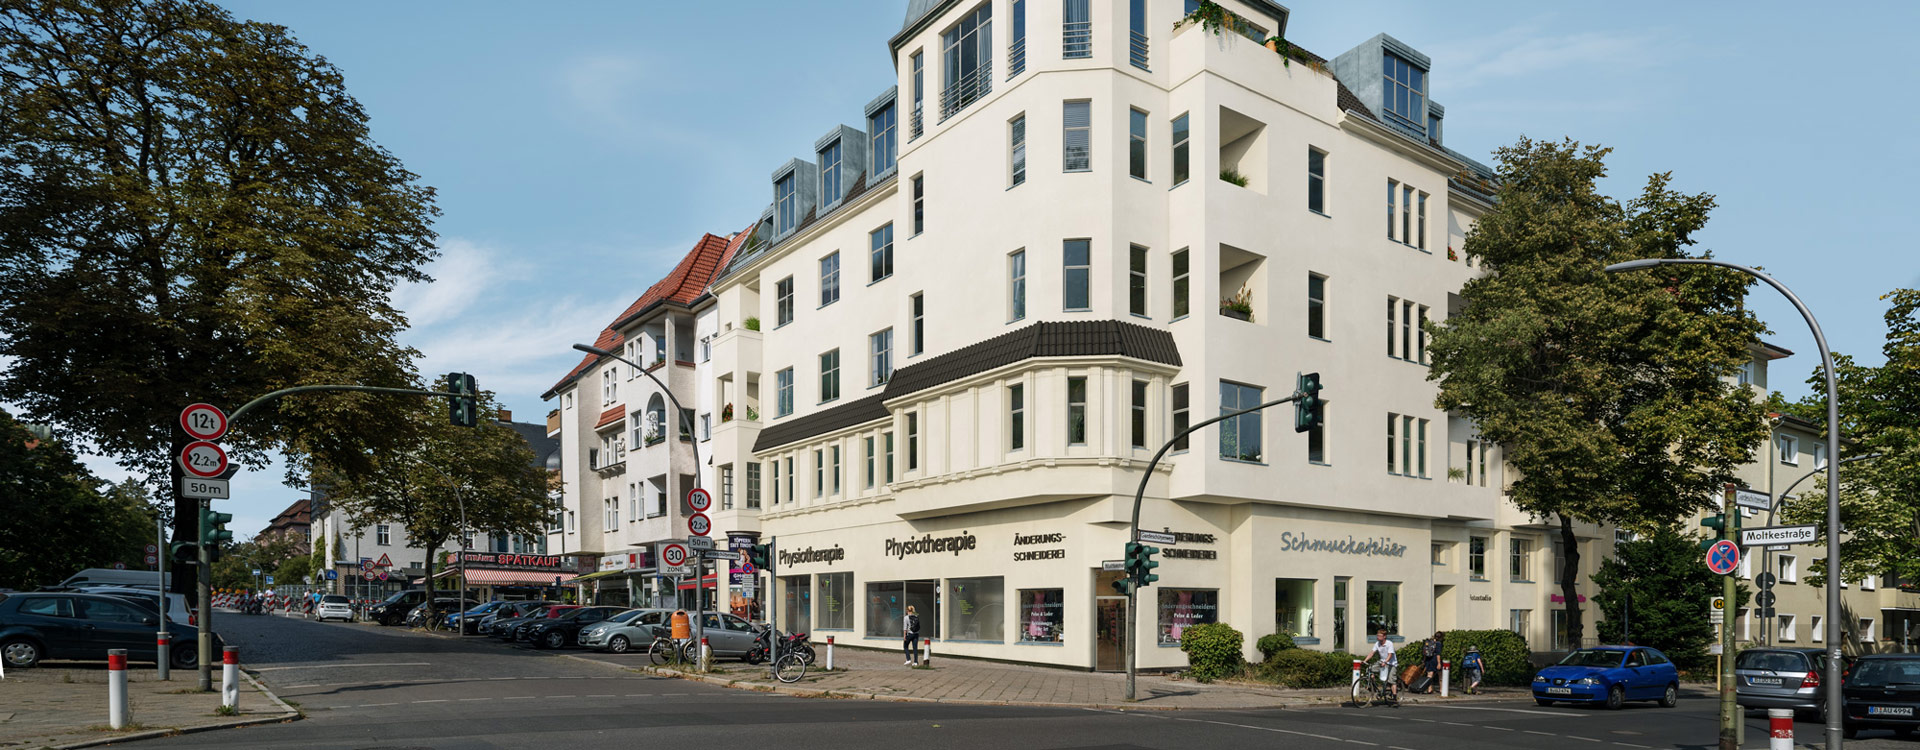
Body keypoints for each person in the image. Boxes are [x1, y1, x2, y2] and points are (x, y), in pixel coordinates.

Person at [1364, 628, 1398, 702]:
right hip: (1382, 662)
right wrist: (1364, 661)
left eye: (1379, 636)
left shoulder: (1389, 643)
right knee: (1369, 669)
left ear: (1384, 636)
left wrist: (1385, 662)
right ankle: (1373, 687)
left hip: (1391, 663)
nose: (1378, 637)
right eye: (1377, 636)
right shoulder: (1377, 643)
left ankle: (1394, 696)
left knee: (1391, 679)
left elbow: (1390, 655)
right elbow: (1372, 653)